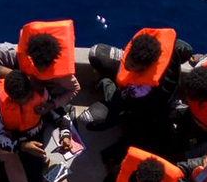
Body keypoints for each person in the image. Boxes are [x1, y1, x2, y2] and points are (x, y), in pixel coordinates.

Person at [77, 27, 195, 155]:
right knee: (96, 53)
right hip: (144, 84)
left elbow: (119, 101)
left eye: (132, 65)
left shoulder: (144, 90)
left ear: (144, 67)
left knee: (90, 120)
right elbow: (186, 48)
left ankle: (105, 81)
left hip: (141, 105)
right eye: (128, 57)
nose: (126, 64)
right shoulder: (157, 50)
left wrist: (105, 83)